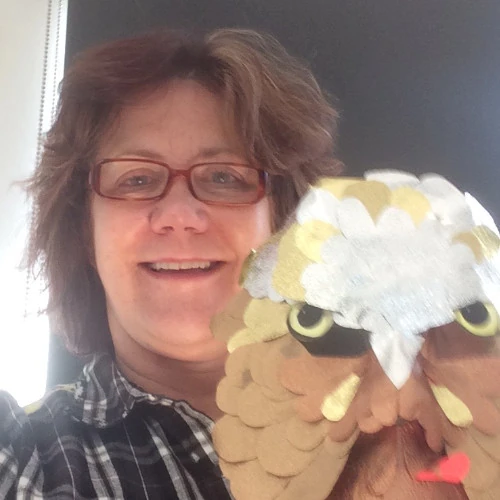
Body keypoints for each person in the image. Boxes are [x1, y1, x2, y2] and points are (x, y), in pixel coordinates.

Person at [0, 28, 341, 498]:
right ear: (84, 232)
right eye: (136, 179)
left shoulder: (402, 419)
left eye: (224, 177)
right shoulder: (26, 460)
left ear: (282, 221)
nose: (179, 215)